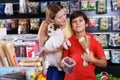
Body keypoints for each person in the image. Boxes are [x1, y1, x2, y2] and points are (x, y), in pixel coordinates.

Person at [62, 11, 107, 80]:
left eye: (80, 20)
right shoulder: (68, 41)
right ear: (71, 25)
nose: (78, 23)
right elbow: (64, 62)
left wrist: (92, 60)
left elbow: (104, 63)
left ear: (86, 24)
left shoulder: (94, 40)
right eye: (74, 22)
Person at [38, 3, 73, 80]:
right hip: (54, 68)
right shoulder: (46, 25)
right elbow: (40, 50)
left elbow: (81, 35)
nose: (64, 18)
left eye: (64, 14)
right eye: (60, 17)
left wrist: (95, 37)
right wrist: (58, 49)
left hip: (69, 66)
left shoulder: (69, 25)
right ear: (51, 19)